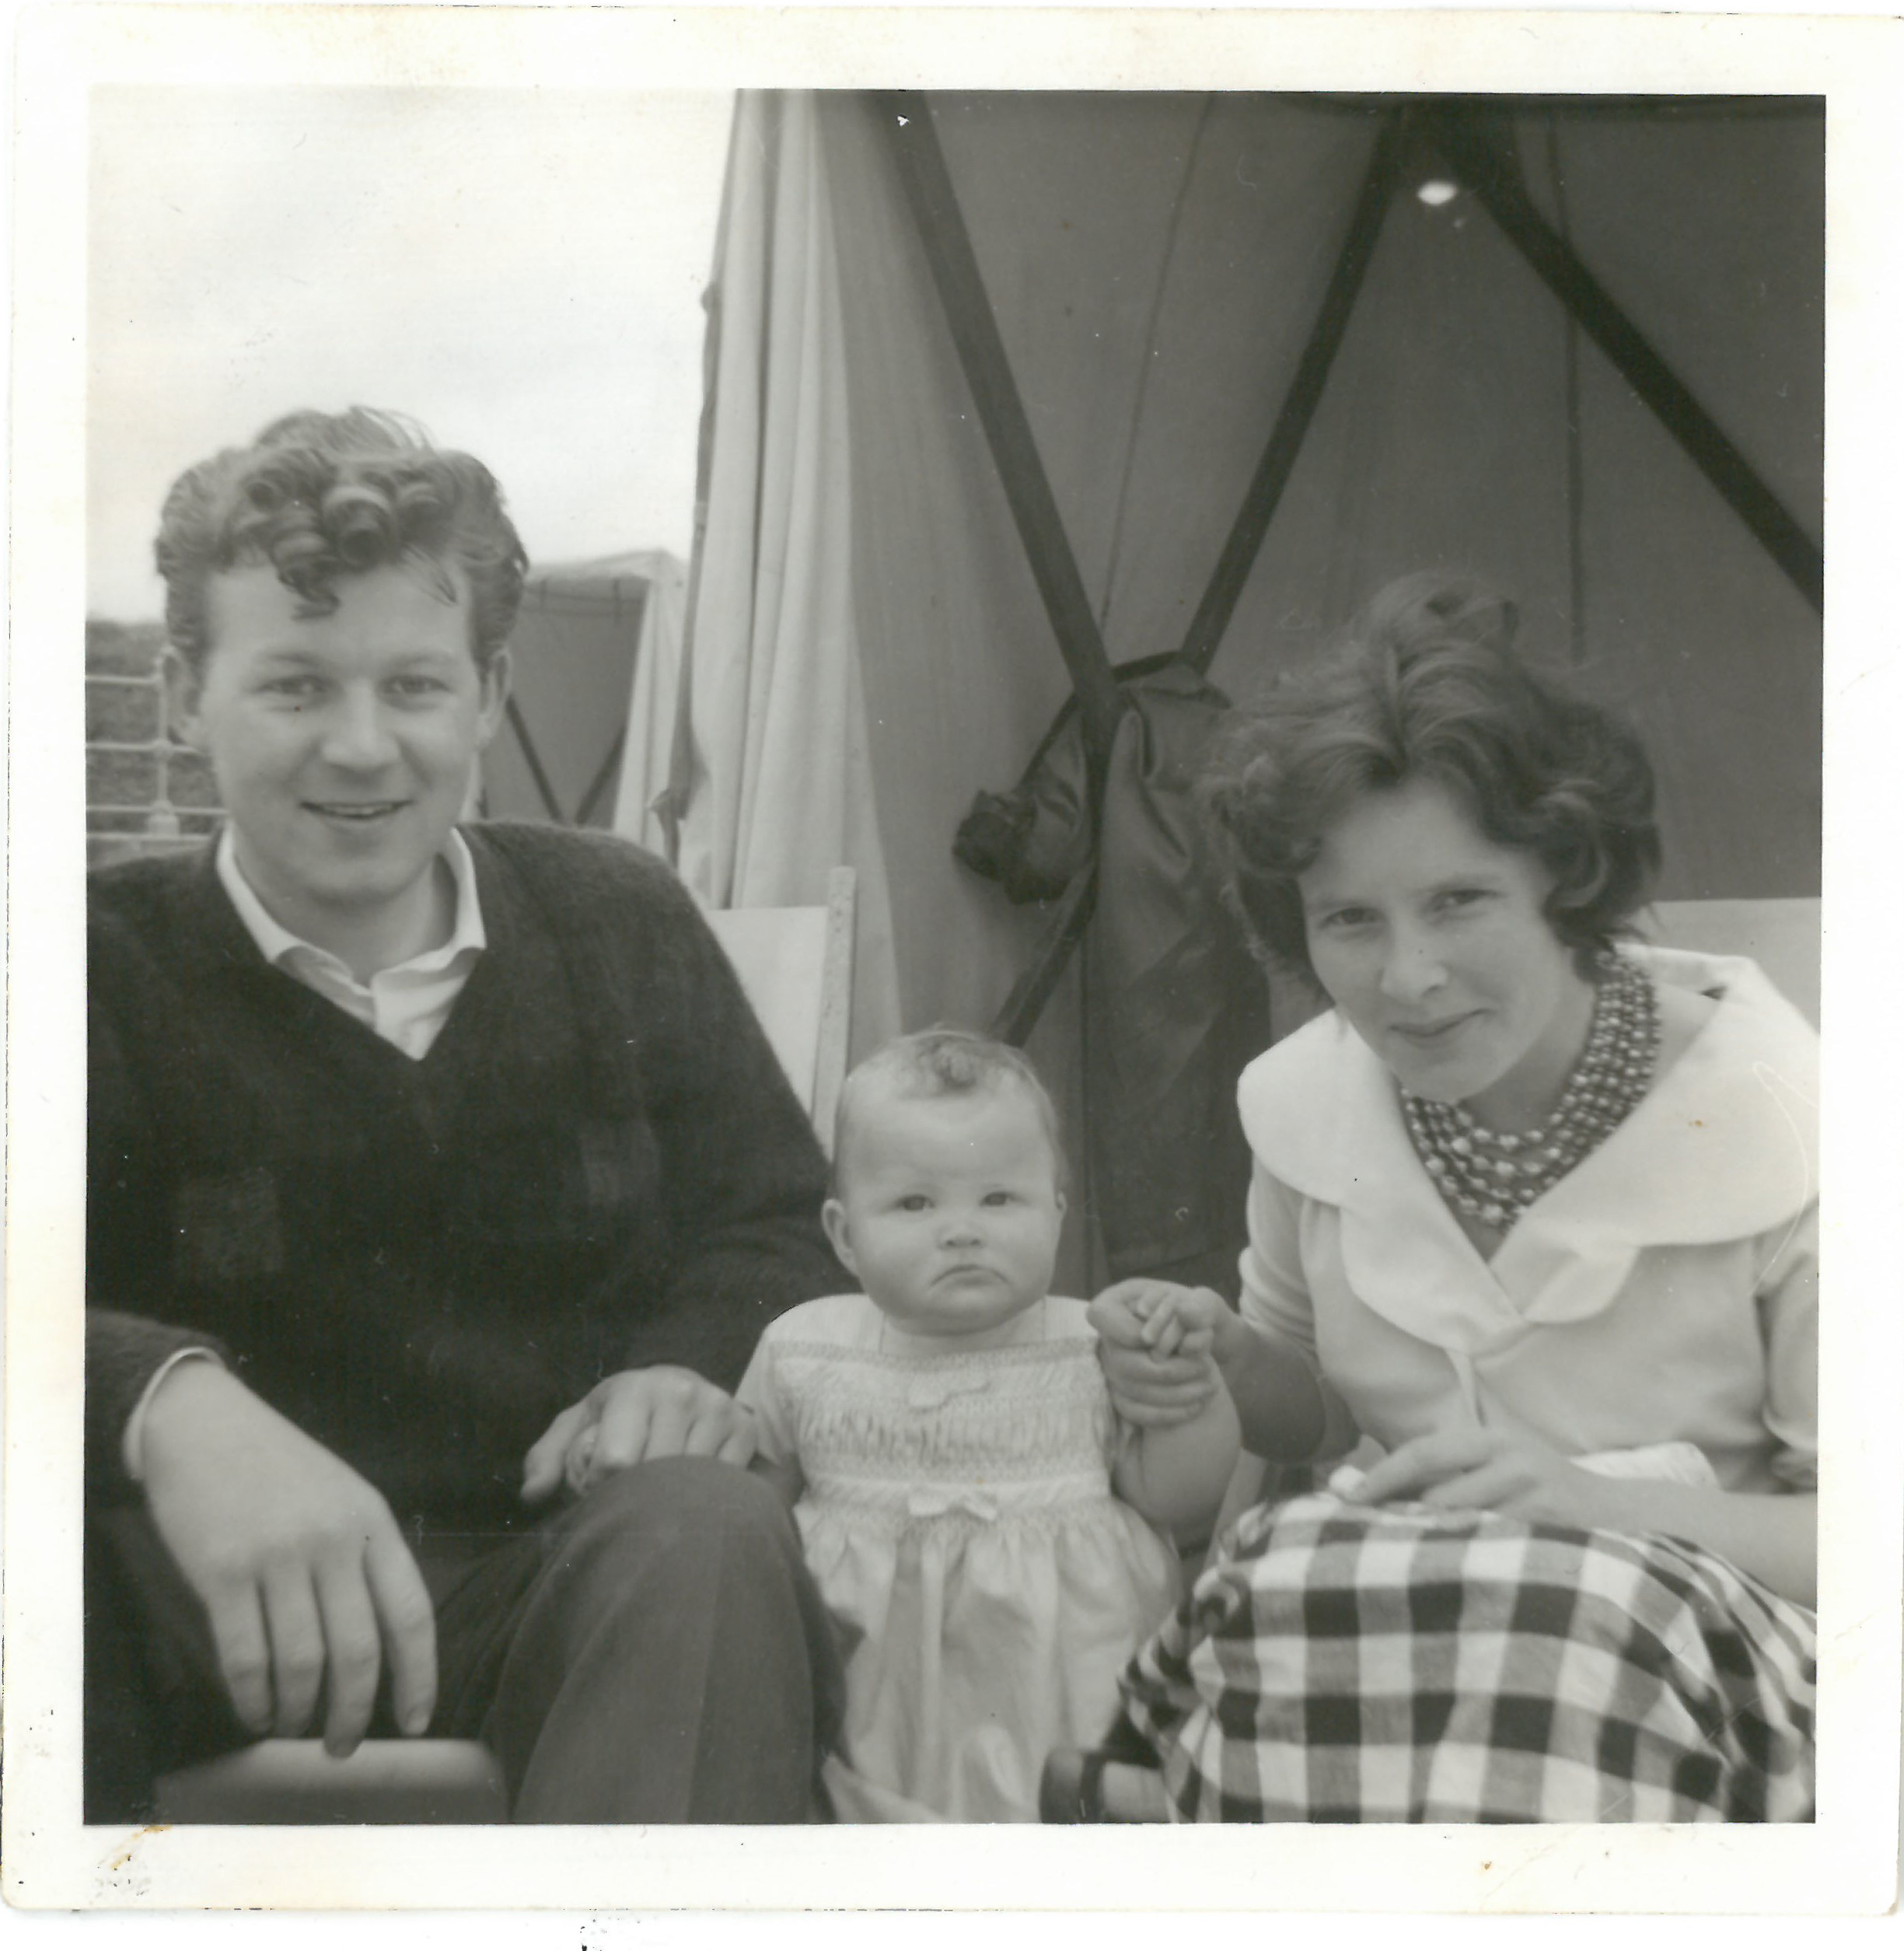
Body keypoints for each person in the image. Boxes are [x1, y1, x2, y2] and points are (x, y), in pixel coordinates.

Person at [86, 407, 845, 1823]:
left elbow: (773, 1221)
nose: (364, 747)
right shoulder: (84, 960)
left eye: (416, 686)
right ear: (186, 689)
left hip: (552, 1598)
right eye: (297, 685)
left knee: (705, 1523)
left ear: (490, 692)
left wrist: (686, 1366)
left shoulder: (614, 913)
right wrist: (169, 1400)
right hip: (200, 1629)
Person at [1060, 573, 1817, 1823]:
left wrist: (1594, 1504)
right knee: (1292, 1600)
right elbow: (1312, 1416)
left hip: (1692, 1675)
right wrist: (1227, 1360)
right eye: (1349, 920)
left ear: (1566, 879)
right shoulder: (1308, 1107)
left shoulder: (1789, 1121)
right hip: (1408, 1646)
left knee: (1549, 1641)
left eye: (1459, 900)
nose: (1406, 979)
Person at [734, 1030, 1238, 1820]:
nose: (961, 1229)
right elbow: (756, 1514)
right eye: (914, 1202)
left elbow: (1178, 1498)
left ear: (1058, 1212)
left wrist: (1191, 1388)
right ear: (843, 1234)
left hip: (1065, 1675)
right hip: (873, 1689)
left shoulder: (1091, 1344)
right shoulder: (803, 1346)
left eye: (999, 1198)